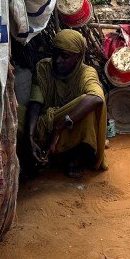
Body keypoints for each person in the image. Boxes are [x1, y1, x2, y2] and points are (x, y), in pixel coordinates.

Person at [26, 29, 107, 178]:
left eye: (65, 56)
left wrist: (59, 128)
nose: (57, 60)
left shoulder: (86, 73)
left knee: (87, 106)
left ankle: (75, 158)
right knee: (14, 113)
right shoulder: (44, 67)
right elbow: (35, 103)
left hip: (69, 128)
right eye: (55, 54)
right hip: (46, 125)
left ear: (78, 57)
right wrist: (29, 136)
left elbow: (96, 98)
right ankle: (38, 149)